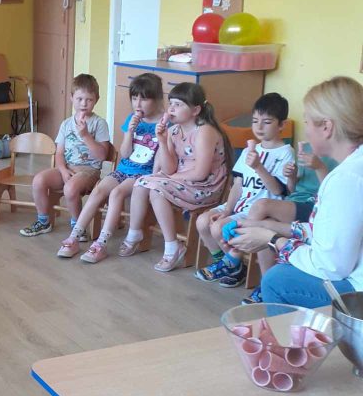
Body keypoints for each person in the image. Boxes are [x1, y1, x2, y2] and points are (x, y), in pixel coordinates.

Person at [230, 75, 363, 307]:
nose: (306, 131)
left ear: (327, 127)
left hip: (357, 288)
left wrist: (272, 240)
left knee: (277, 281)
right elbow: (326, 233)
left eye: (308, 122)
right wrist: (268, 227)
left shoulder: (347, 179)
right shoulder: (352, 168)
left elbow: (331, 267)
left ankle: (296, 333)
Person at [56, 72, 163, 261]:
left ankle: (101, 244)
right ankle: (74, 237)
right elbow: (125, 154)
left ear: (157, 99)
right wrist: (129, 131)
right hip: (124, 169)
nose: (138, 104)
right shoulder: (132, 119)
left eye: (144, 99)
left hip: (144, 174)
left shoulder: (164, 125)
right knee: (99, 191)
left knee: (116, 194)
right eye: (134, 98)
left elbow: (162, 160)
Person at [125, 82, 230, 273]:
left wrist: (171, 177)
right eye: (171, 103)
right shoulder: (174, 130)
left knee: (155, 189)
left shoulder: (204, 131)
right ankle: (135, 235)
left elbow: (201, 173)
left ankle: (172, 247)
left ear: (195, 110)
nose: (172, 109)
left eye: (178, 105)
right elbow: (169, 167)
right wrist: (162, 141)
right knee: (142, 184)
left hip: (204, 187)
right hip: (182, 181)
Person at [195, 92, 294, 288]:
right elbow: (238, 185)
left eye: (267, 122)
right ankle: (231, 266)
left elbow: (279, 191)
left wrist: (258, 167)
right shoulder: (250, 150)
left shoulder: (286, 153)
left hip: (259, 211)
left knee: (218, 228)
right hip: (241, 204)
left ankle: (232, 265)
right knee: (202, 222)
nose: (259, 127)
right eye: (255, 121)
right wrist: (227, 209)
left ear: (281, 125)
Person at [237, 147, 337, 304]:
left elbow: (332, 199)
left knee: (262, 209)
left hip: (318, 204)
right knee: (262, 211)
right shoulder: (307, 147)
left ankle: (262, 279)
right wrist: (291, 176)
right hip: (296, 200)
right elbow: (291, 191)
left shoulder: (345, 154)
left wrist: (319, 167)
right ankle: (267, 282)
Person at [20, 74, 111, 237]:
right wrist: (62, 170)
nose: (83, 104)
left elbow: (102, 155)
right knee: (39, 180)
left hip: (89, 170)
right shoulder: (66, 124)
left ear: (96, 100)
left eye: (89, 100)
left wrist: (86, 136)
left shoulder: (99, 123)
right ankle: (43, 221)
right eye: (79, 99)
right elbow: (59, 153)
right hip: (67, 168)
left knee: (70, 188)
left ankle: (78, 227)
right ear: (71, 98)